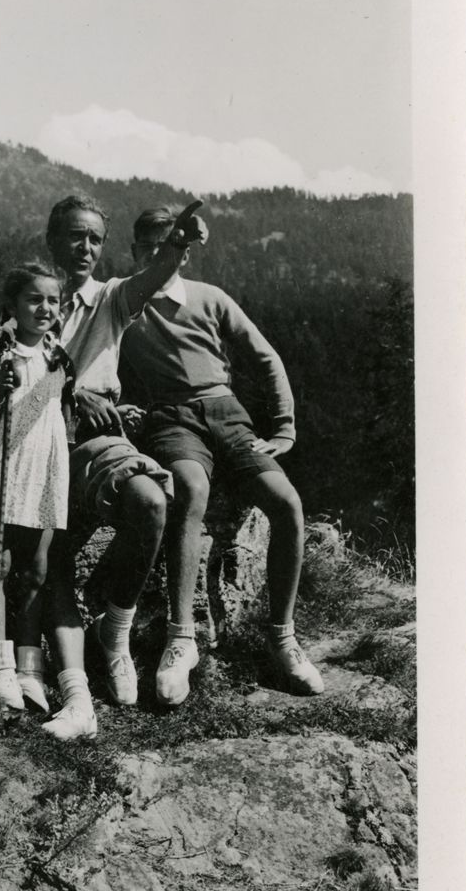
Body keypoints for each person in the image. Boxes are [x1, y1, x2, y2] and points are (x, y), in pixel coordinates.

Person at [118, 206, 325, 705]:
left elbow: (265, 358)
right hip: (171, 418)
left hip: (227, 415)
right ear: (134, 251)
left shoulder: (210, 299)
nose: (157, 256)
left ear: (183, 253)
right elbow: (95, 352)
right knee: (190, 489)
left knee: (288, 505)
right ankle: (181, 638)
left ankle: (283, 638)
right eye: (147, 247)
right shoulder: (125, 301)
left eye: (169, 246)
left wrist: (283, 429)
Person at [40, 195, 208, 740]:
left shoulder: (111, 298)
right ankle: (71, 688)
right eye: (73, 236)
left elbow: (152, 275)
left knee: (152, 502)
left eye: (94, 238)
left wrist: (176, 247)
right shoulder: (30, 298)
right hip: (38, 441)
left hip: (95, 442)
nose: (84, 248)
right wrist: (70, 391)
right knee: (50, 548)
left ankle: (115, 635)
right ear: (52, 240)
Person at [0, 262, 76, 714]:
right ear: (13, 305)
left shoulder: (60, 355)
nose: (45, 308)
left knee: (36, 571)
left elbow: (66, 408)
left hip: (43, 464)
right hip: (3, 461)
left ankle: (30, 671)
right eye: (34, 299)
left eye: (53, 300)